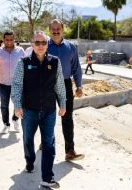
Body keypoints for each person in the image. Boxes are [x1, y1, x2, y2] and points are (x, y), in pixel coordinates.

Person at [12, 31, 66, 189]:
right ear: (32, 44)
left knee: (49, 143)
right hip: (29, 110)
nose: (41, 46)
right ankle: (29, 161)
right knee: (28, 140)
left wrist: (62, 103)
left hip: (49, 110)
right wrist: (17, 105)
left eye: (43, 43)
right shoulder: (23, 62)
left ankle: (47, 177)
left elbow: (59, 85)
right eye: (37, 43)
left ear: (47, 44)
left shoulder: (55, 62)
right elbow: (16, 85)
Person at [48, 19, 85, 161]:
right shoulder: (44, 46)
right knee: (46, 116)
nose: (56, 31)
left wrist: (79, 86)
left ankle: (70, 151)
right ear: (49, 30)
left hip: (65, 83)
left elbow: (76, 68)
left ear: (63, 30)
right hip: (48, 85)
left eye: (58, 29)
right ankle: (45, 142)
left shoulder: (71, 47)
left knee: (67, 117)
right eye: (53, 29)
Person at [0, 31, 25, 133]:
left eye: (11, 39)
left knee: (17, 104)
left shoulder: (20, 51)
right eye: (7, 40)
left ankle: (15, 119)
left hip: (17, 83)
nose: (9, 42)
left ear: (14, 39)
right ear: (3, 39)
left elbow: (25, 65)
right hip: (3, 83)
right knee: (4, 105)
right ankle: (6, 124)